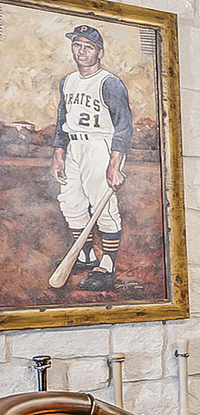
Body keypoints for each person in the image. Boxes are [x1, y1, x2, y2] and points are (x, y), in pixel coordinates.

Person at [50, 24, 131, 291]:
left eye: (88, 47)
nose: (81, 51)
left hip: (101, 147)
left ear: (99, 52)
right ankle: (84, 255)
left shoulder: (109, 83)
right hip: (74, 147)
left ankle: (107, 263)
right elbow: (63, 121)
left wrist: (115, 164)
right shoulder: (68, 81)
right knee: (71, 203)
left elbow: (123, 127)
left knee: (102, 207)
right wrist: (58, 154)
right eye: (77, 45)